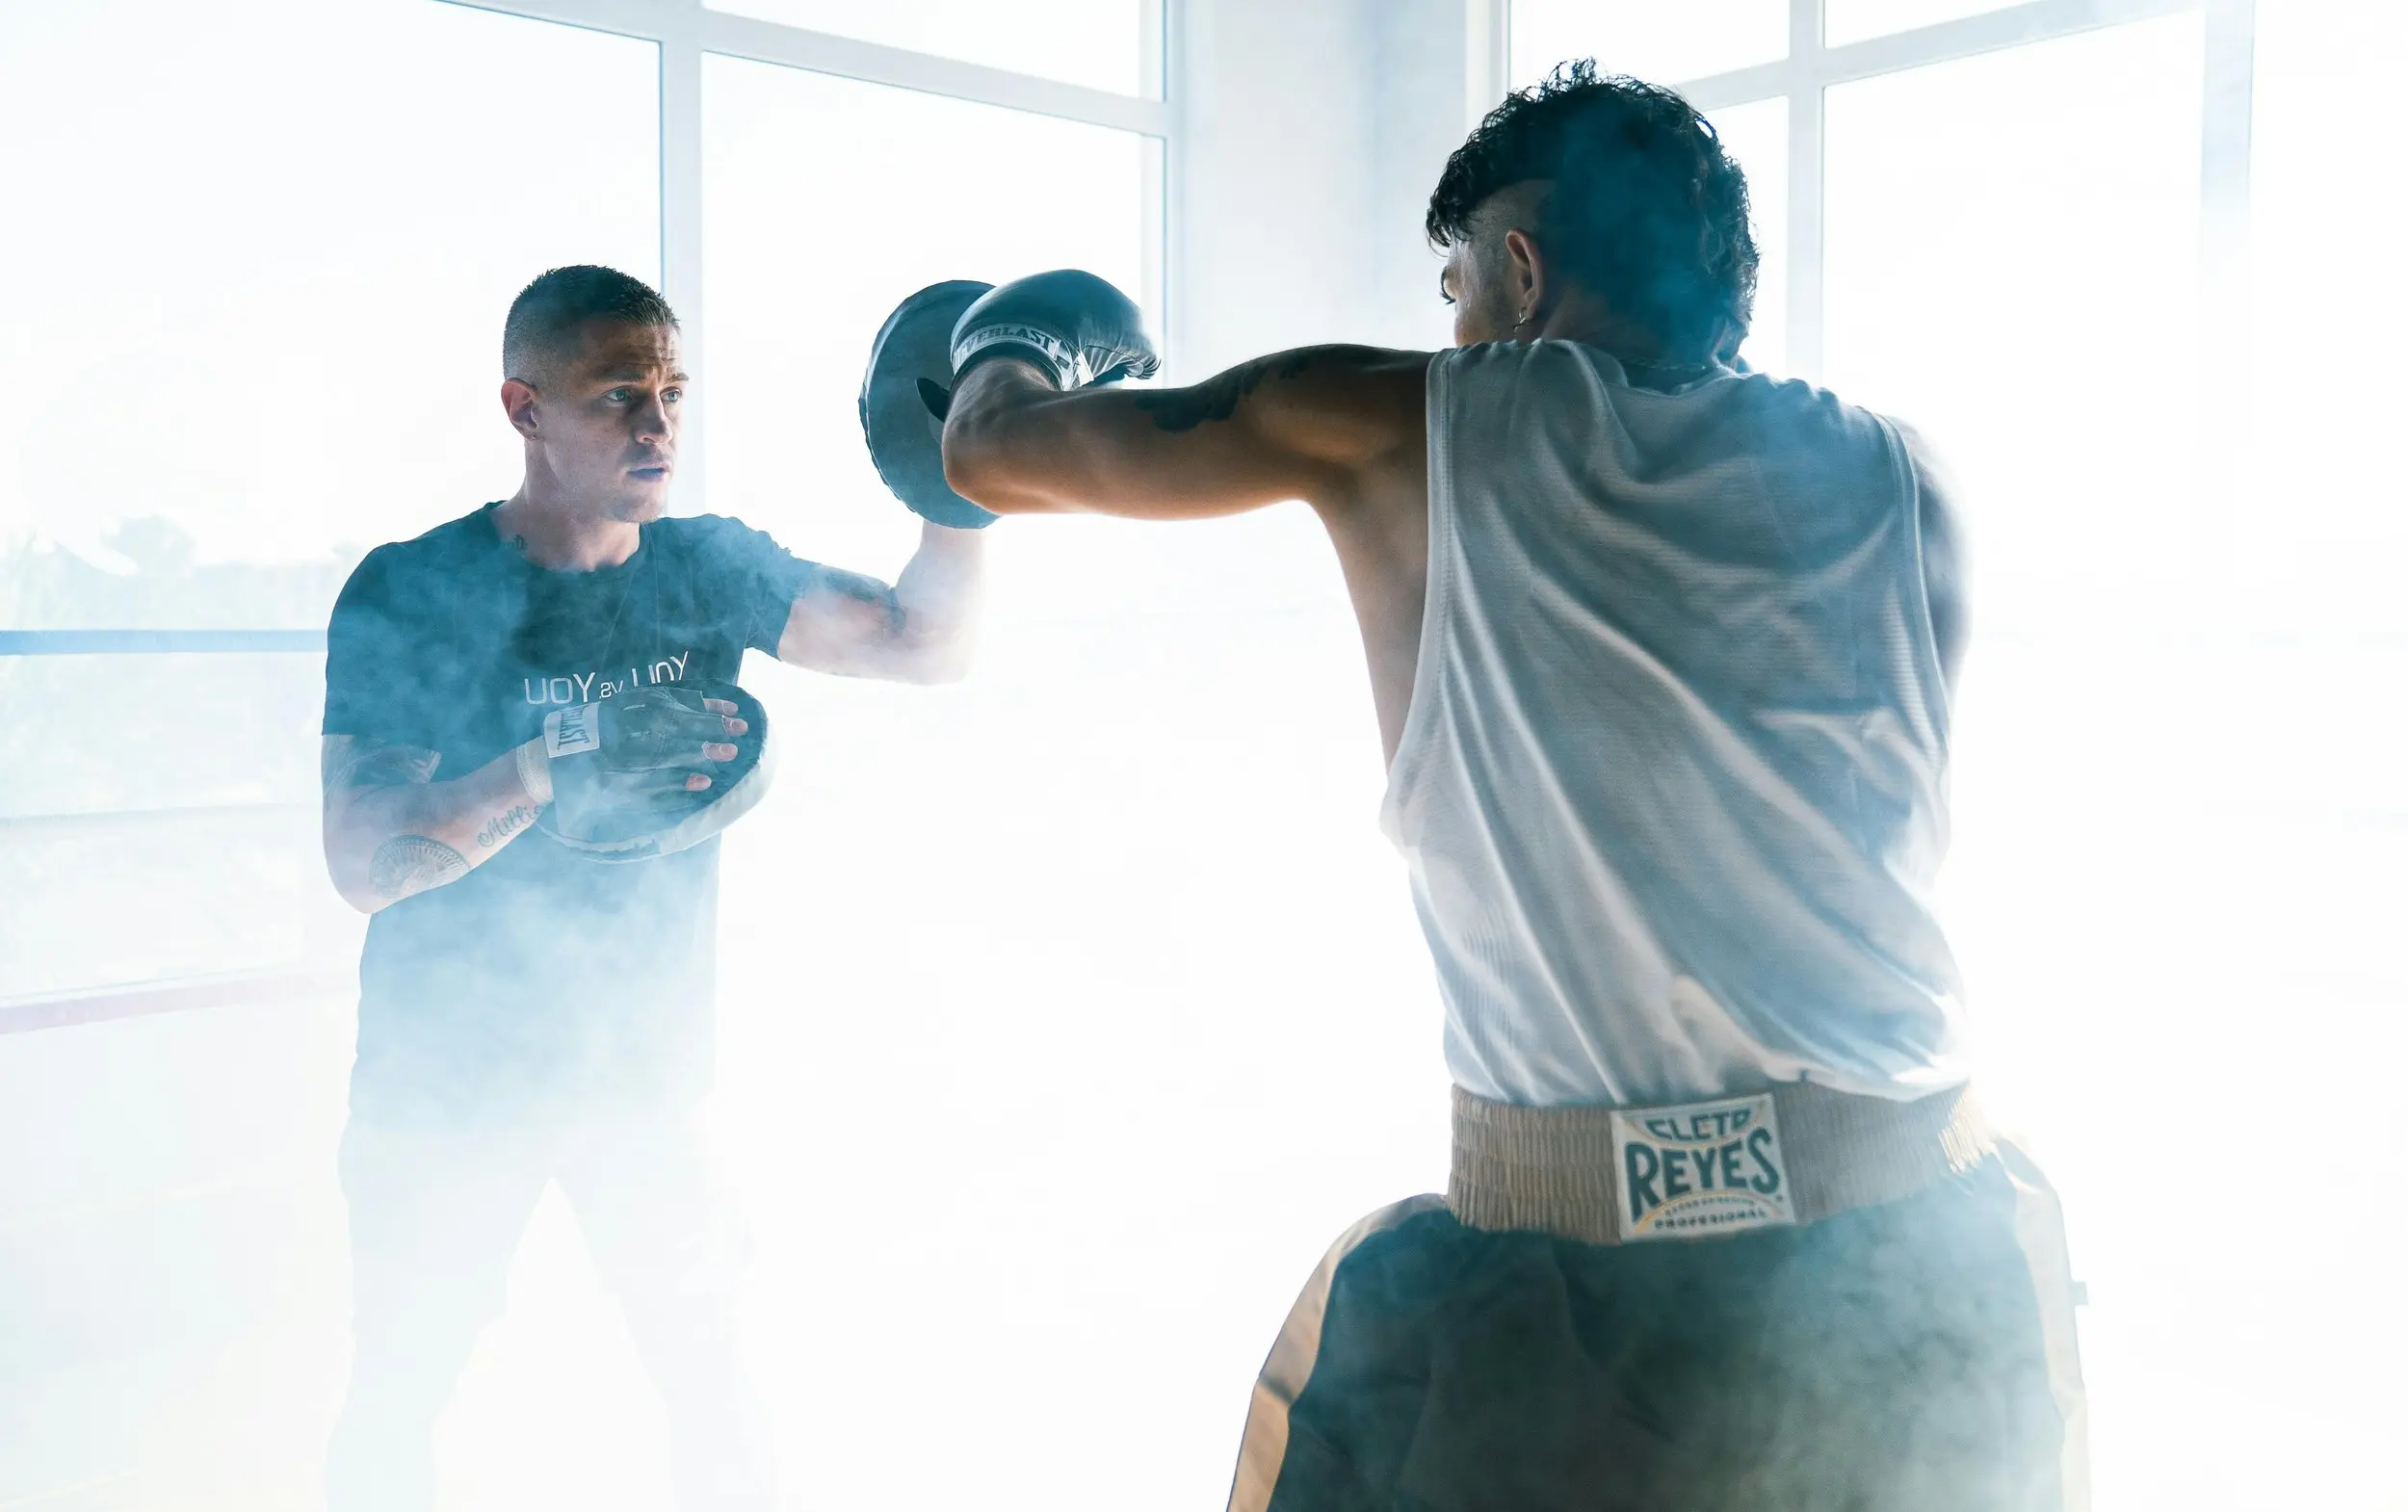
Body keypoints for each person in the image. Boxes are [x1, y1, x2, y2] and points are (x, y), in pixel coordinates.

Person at [920, 63, 2084, 1512]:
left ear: (1519, 269)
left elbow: (992, 452)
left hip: (1596, 1295)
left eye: (1458, 283)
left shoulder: (1405, 425)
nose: (1455, 328)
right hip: (1930, 1239)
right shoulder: (1906, 478)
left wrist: (1002, 343)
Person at [318, 264, 984, 1511]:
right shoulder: (415, 587)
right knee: (400, 1404)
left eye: (673, 392)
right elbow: (364, 862)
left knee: (714, 1392)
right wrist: (552, 761)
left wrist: (961, 487)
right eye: (621, 395)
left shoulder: (704, 568)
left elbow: (923, 642)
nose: (658, 425)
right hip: (445, 1090)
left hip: (643, 1084)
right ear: (524, 409)